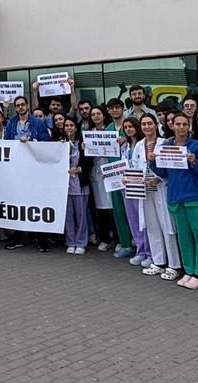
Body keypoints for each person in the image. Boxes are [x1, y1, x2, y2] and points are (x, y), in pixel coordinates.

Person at [152, 112, 198, 288]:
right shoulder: (167, 145)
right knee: (184, 237)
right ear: (172, 126)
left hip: (195, 197)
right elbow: (163, 173)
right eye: (178, 124)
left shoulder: (197, 146)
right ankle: (189, 270)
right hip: (175, 197)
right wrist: (153, 162)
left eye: (185, 124)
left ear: (189, 126)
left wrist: (193, 162)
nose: (181, 127)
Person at [132, 114, 181, 280]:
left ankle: (174, 265)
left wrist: (159, 178)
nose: (147, 127)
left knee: (167, 226)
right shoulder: (139, 145)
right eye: (144, 124)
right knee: (152, 226)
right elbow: (134, 166)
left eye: (150, 123)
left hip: (161, 188)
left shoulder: (165, 143)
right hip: (144, 191)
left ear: (155, 125)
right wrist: (128, 178)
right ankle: (158, 262)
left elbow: (171, 166)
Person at [2, 95, 53, 251]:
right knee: (19, 201)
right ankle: (17, 236)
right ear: (15, 108)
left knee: (36, 201)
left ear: (27, 106)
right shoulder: (11, 123)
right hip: (18, 168)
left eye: (23, 104)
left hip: (34, 168)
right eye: (17, 105)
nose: (20, 107)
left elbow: (46, 142)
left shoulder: (38, 123)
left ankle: (41, 238)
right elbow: (7, 142)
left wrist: (32, 142)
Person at [87, 106, 133, 257]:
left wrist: (126, 138)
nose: (96, 116)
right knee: (108, 208)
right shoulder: (95, 133)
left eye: (98, 113)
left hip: (123, 172)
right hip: (106, 174)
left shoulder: (122, 128)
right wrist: (84, 148)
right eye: (93, 114)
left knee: (127, 209)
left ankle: (127, 241)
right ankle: (118, 241)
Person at [118, 117, 150, 266]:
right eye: (126, 127)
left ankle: (149, 251)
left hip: (141, 187)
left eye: (131, 126)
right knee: (133, 220)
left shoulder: (142, 144)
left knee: (144, 220)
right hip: (127, 187)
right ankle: (140, 250)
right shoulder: (125, 146)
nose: (129, 129)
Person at [60, 117, 93, 254]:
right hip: (65, 186)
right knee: (68, 216)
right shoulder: (60, 144)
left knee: (81, 216)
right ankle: (70, 242)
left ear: (76, 127)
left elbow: (89, 163)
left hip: (80, 184)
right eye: (66, 125)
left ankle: (81, 243)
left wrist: (79, 169)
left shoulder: (83, 144)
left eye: (71, 125)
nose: (68, 127)